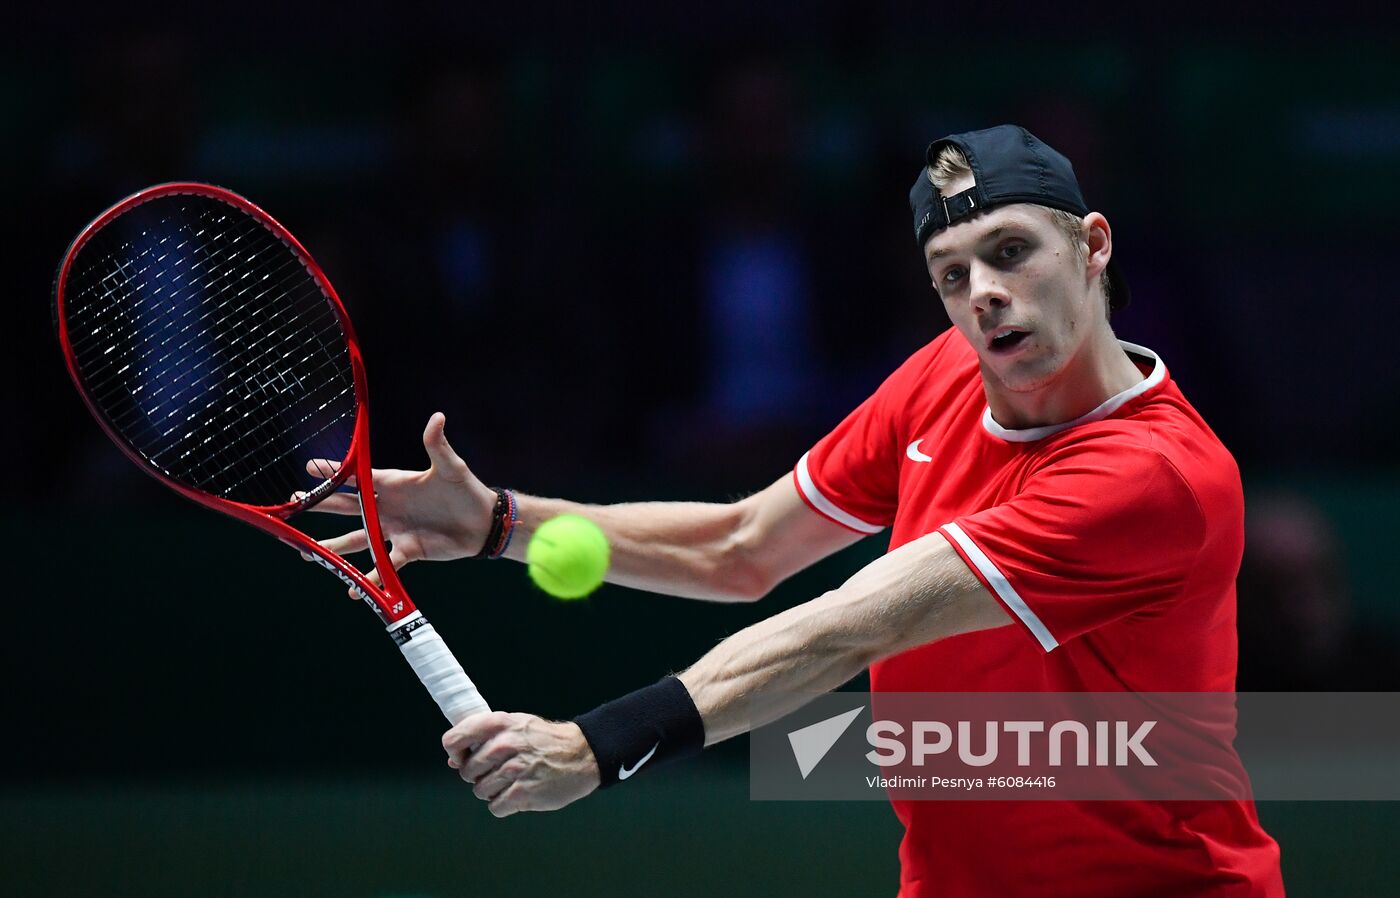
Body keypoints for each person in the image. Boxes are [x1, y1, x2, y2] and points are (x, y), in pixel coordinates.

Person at [311, 125, 1284, 897]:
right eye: (952, 273)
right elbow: (743, 546)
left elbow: (855, 622)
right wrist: (499, 523)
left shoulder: (1151, 476)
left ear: (1092, 245)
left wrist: (595, 745)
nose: (983, 294)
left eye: (1010, 251)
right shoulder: (943, 376)